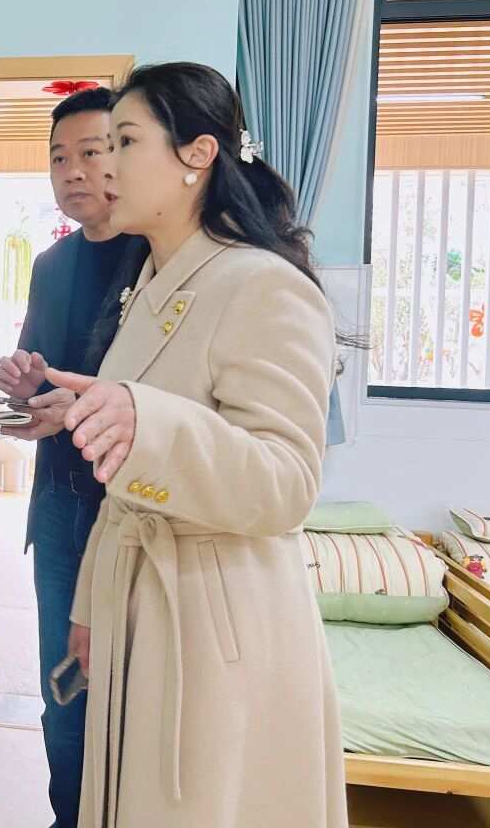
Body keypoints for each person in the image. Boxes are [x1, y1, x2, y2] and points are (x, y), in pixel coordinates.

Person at [47, 62, 345, 827]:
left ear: (197, 155)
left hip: (217, 623)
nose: (104, 166)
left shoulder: (262, 284)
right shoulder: (151, 286)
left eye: (124, 142)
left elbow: (287, 481)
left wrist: (147, 424)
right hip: (143, 596)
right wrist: (90, 605)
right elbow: (126, 486)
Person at [0, 86, 149, 828]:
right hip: (59, 505)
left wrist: (77, 407)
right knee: (64, 684)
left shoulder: (160, 255)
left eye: (92, 151)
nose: (74, 170)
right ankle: (68, 816)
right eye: (59, 158)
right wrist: (24, 385)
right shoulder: (53, 264)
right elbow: (41, 373)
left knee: (137, 687)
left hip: (136, 506)